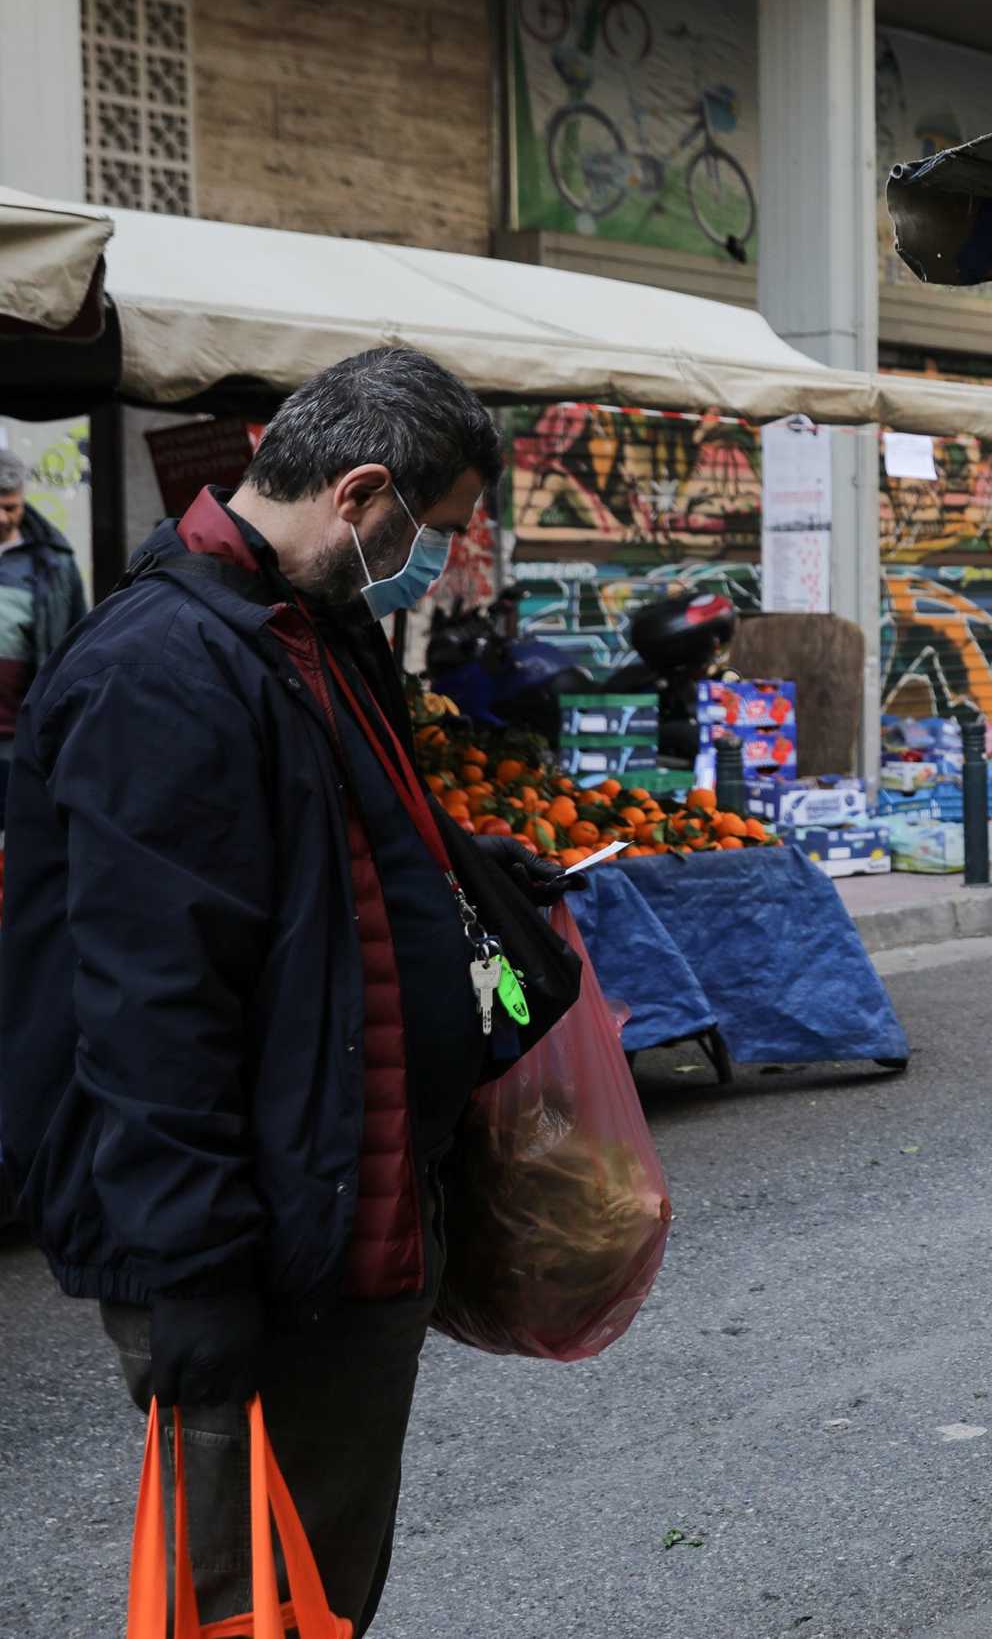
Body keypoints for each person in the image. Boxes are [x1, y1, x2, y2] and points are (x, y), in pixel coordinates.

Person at [0, 348, 578, 1637]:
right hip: (245, 1239)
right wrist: (194, 1275)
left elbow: (343, 839)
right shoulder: (161, 667)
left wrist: (469, 883)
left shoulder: (307, 630)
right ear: (360, 495)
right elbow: (147, 1006)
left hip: (339, 1197)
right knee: (246, 1601)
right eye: (433, 535)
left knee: (314, 1579)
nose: (435, 565)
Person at [0, 449, 90, 830]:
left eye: (11, 507)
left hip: (15, 736)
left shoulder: (54, 562)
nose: (3, 518)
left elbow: (78, 645)